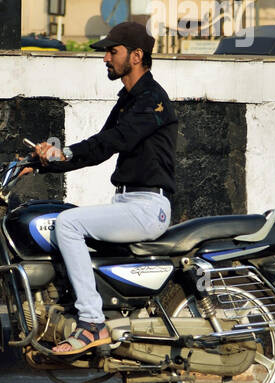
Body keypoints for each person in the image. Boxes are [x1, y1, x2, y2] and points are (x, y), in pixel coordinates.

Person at [33, 19, 177, 358]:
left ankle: (92, 322)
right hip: (128, 201)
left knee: (69, 224)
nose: (105, 58)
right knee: (64, 218)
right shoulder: (128, 99)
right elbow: (98, 150)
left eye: (113, 52)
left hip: (148, 206)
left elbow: (114, 140)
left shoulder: (152, 100)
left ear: (137, 55)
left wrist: (63, 153)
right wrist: (42, 162)